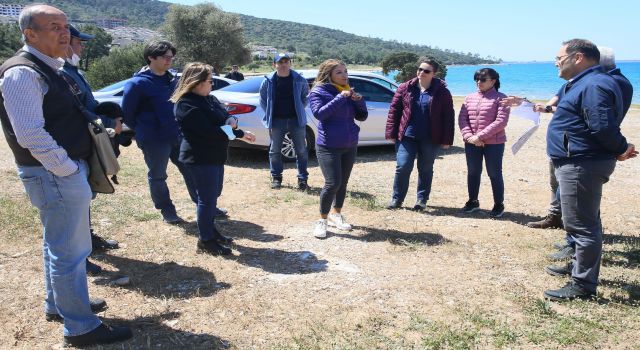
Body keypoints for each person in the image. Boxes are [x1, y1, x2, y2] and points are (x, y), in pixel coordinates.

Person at [0, 4, 132, 346]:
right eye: (54, 26)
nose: (64, 33)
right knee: (70, 251)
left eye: (65, 25)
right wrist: (69, 168)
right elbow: (29, 134)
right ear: (30, 34)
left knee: (58, 245)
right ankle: (81, 326)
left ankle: (60, 305)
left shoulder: (48, 67)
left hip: (58, 173)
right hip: (55, 175)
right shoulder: (23, 73)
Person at [543, 39, 636, 301]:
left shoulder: (595, 85)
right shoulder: (586, 83)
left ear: (579, 57)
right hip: (578, 161)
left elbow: (603, 126)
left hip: (582, 163)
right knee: (583, 221)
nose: (556, 62)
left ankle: (582, 286)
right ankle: (579, 271)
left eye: (559, 57)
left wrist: (620, 147)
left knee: (582, 227)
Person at [171, 62, 255, 255]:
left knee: (212, 197)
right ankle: (206, 240)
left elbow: (225, 119)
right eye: (210, 81)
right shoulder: (186, 104)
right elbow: (210, 132)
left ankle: (211, 232)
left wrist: (235, 126)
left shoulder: (210, 98)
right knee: (206, 200)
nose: (212, 84)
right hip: (199, 158)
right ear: (197, 82)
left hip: (215, 156)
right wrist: (236, 131)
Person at [61, 24, 120, 275]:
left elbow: (91, 104)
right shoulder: (62, 73)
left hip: (86, 143)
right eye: (78, 42)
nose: (81, 47)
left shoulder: (74, 71)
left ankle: (87, 240)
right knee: (72, 206)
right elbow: (77, 111)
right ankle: (78, 254)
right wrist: (108, 123)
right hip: (71, 147)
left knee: (84, 198)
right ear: (64, 42)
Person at [122, 41, 197, 224]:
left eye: (171, 57)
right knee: (158, 175)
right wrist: (144, 128)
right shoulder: (137, 84)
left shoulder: (173, 81)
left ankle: (204, 204)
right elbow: (127, 114)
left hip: (176, 135)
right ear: (151, 57)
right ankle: (166, 210)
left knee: (191, 170)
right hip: (153, 138)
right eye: (165, 57)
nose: (169, 60)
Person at [385, 57, 455, 211]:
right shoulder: (405, 87)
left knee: (425, 168)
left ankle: (421, 200)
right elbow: (394, 111)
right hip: (407, 136)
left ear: (434, 73)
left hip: (431, 138)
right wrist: (391, 132)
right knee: (402, 166)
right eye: (420, 69)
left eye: (426, 71)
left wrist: (447, 139)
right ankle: (397, 199)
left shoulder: (442, 92)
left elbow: (448, 117)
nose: (421, 72)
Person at [308, 59, 368, 238]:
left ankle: (337, 214)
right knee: (332, 183)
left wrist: (358, 101)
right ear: (329, 75)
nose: (344, 75)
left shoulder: (348, 91)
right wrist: (340, 98)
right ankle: (322, 220)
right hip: (328, 146)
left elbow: (362, 116)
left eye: (345, 71)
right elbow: (320, 114)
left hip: (349, 144)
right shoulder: (318, 92)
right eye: (339, 72)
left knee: (343, 183)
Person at [458, 68, 510, 218]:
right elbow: (462, 119)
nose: (478, 82)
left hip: (494, 143)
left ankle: (498, 204)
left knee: (494, 173)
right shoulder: (469, 98)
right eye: (476, 79)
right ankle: (473, 201)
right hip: (471, 142)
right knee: (473, 172)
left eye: (482, 79)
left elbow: (501, 122)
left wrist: (479, 136)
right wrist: (469, 136)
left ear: (493, 81)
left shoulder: (501, 98)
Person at [259, 53, 310, 190]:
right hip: (276, 121)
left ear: (290, 63)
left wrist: (299, 108)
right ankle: (276, 178)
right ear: (274, 64)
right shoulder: (268, 80)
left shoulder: (299, 79)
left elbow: (306, 97)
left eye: (286, 61)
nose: (283, 64)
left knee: (301, 150)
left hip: (296, 120)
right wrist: (270, 114)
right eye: (280, 62)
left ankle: (302, 179)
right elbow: (263, 100)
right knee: (274, 150)